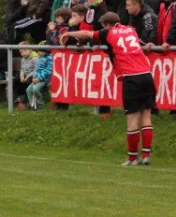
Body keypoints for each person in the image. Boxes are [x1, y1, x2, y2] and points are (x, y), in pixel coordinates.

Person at [62, 12, 157, 166]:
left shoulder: (109, 32)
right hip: (147, 74)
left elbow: (87, 34)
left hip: (131, 76)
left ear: (107, 25)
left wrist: (68, 32)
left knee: (132, 119)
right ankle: (146, 155)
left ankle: (132, 158)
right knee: (146, 116)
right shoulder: (131, 29)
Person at [26, 41, 52, 110]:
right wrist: (34, 77)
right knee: (28, 90)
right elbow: (37, 69)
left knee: (35, 89)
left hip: (43, 79)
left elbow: (47, 71)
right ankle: (33, 105)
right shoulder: (40, 58)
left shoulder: (49, 59)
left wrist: (39, 78)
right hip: (36, 79)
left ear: (45, 51)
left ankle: (40, 105)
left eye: (39, 51)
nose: (38, 52)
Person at [14, 41, 39, 107]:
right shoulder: (23, 59)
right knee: (17, 79)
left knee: (29, 81)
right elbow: (22, 69)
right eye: (21, 52)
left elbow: (37, 70)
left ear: (30, 49)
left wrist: (28, 76)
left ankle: (27, 99)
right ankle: (20, 97)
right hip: (25, 75)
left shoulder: (35, 58)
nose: (23, 53)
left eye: (24, 50)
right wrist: (21, 76)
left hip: (34, 76)